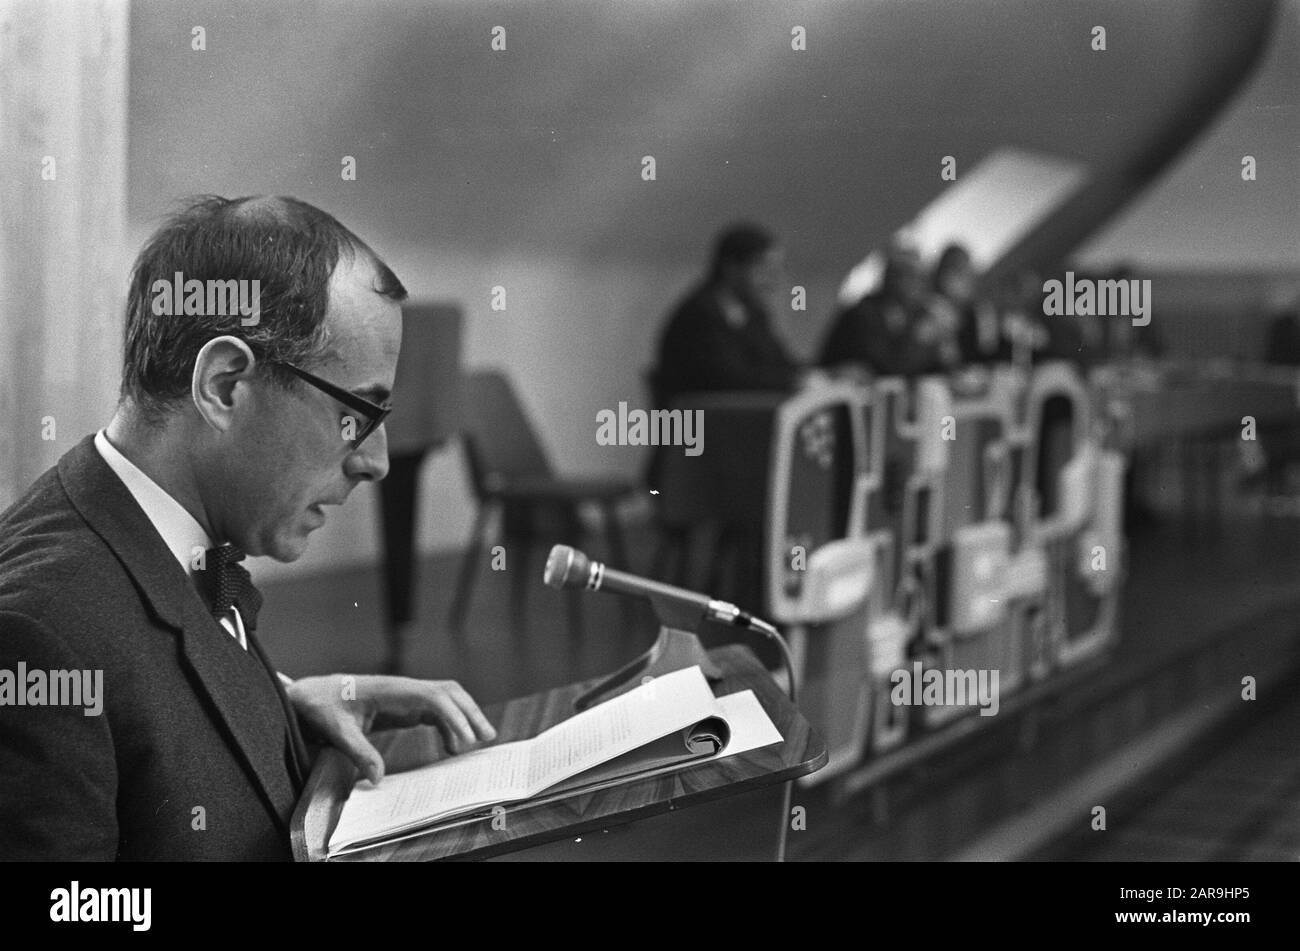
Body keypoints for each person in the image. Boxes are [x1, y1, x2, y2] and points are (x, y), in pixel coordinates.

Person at [0, 195, 496, 860]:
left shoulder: (164, 529)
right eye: (356, 415)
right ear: (227, 384)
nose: (376, 461)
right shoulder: (39, 630)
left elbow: (153, 694)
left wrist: (288, 703)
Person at [651, 223, 803, 407]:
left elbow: (777, 360)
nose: (772, 281)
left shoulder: (753, 313)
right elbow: (728, 378)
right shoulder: (700, 315)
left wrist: (812, 374)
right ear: (731, 267)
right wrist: (792, 382)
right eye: (763, 270)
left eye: (775, 271)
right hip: (707, 424)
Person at [818, 242, 958, 378]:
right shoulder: (863, 314)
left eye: (921, 278)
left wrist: (944, 343)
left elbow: (940, 370)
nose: (919, 286)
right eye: (910, 276)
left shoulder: (916, 314)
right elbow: (889, 369)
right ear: (889, 278)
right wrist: (920, 338)